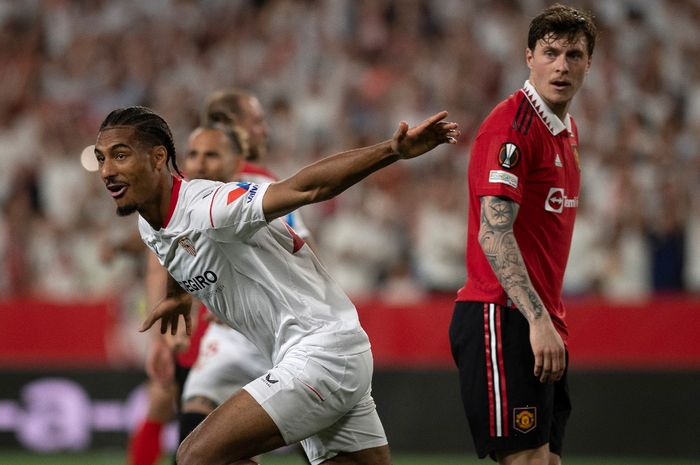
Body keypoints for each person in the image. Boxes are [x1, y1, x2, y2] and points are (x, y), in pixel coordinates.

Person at [95, 105, 458, 465]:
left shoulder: (211, 206)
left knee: (196, 456)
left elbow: (306, 188)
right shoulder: (151, 224)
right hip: (323, 352)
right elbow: (172, 246)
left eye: (120, 155)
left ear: (158, 157)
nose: (107, 171)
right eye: (101, 158)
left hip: (321, 354)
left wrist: (392, 150)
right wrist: (178, 297)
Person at [449, 4, 596, 465]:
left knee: (547, 460)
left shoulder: (565, 131)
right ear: (528, 56)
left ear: (589, 63)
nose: (562, 65)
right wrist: (537, 320)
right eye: (550, 52)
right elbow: (494, 234)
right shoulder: (513, 129)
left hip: (539, 318)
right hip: (503, 314)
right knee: (528, 461)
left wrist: (546, 319)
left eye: (574, 55)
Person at [179, 90, 314, 463]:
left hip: (277, 329)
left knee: (314, 438)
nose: (264, 130)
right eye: (257, 121)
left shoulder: (259, 188)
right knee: (198, 423)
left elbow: (301, 248)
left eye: (208, 155)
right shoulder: (190, 198)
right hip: (231, 334)